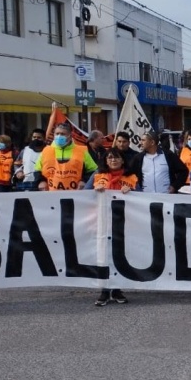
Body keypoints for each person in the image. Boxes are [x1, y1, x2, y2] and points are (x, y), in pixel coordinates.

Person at [87, 148, 138, 307]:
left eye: (116, 158)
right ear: (105, 161)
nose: (113, 161)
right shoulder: (97, 176)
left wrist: (132, 191)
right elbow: (83, 195)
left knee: (119, 255)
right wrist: (94, 192)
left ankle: (116, 289)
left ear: (122, 160)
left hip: (124, 222)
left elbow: (143, 197)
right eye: (110, 158)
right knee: (103, 256)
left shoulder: (131, 178)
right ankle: (104, 290)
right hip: (102, 221)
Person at [35, 123, 98, 191]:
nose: (59, 136)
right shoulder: (46, 150)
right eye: (57, 133)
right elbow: (37, 170)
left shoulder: (81, 151)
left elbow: (93, 171)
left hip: (76, 194)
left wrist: (84, 181)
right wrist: (41, 181)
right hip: (50, 193)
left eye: (62, 134)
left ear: (70, 136)